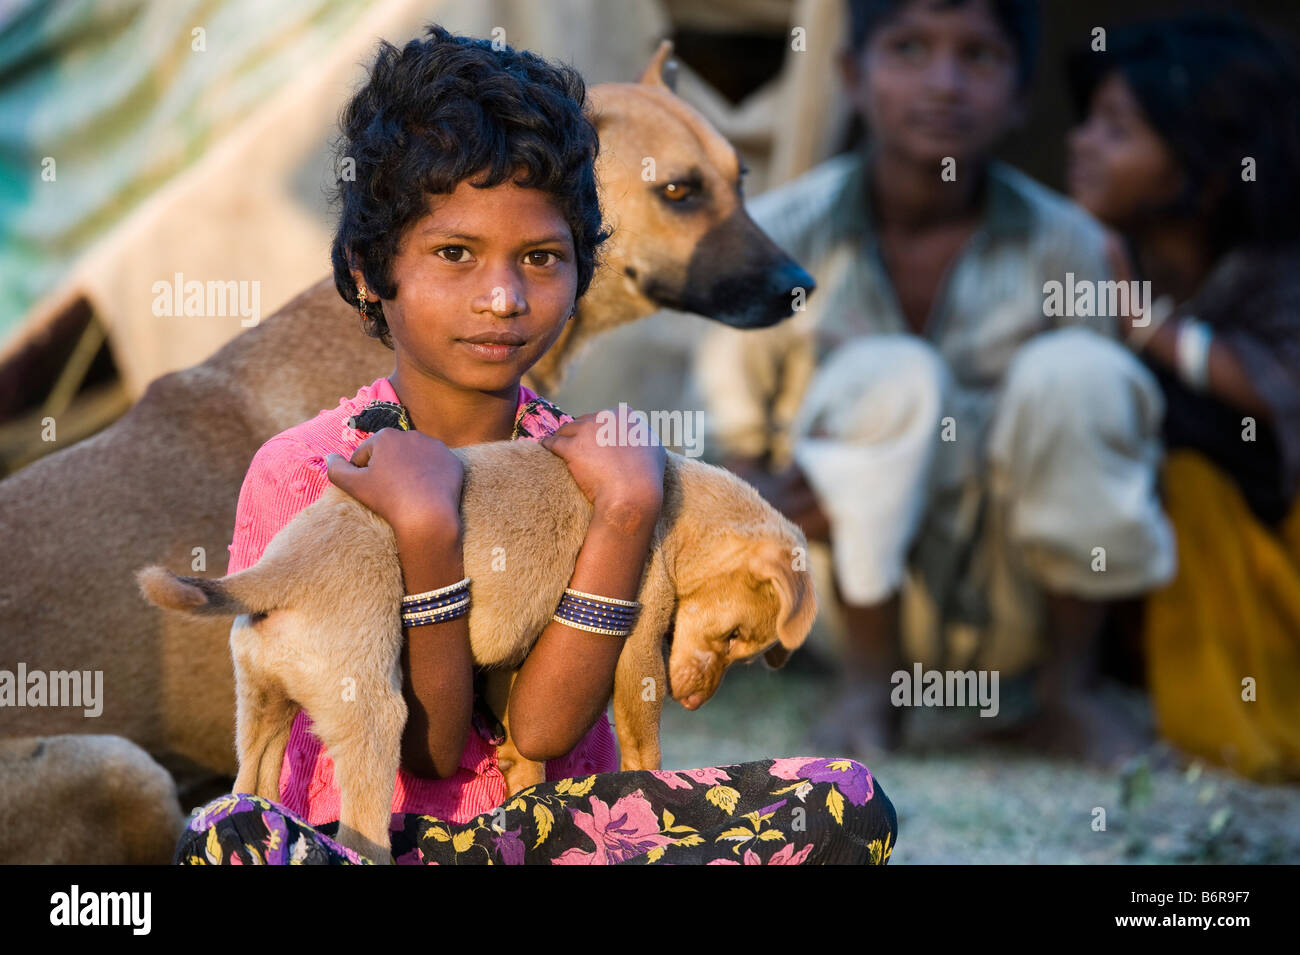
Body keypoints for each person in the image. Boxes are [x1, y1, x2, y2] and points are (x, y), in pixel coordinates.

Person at [175, 24, 898, 865]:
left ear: (583, 269)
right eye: (455, 253)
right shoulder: (303, 468)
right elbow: (432, 750)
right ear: (373, 274)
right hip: (351, 844)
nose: (503, 296)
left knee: (842, 804)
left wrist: (626, 515)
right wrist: (427, 531)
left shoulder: (603, 469)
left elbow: (544, 730)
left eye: (542, 258)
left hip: (545, 839)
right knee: (223, 838)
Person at [691, 0, 1175, 763]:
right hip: (841, 593)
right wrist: (775, 501)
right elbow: (721, 451)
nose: (943, 83)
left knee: (1083, 373)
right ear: (853, 76)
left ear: (1020, 95)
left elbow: (1102, 435)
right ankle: (866, 689)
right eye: (910, 49)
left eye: (977, 56)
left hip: (1013, 597)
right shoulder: (776, 236)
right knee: (891, 373)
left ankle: (1066, 693)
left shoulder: (1068, 242)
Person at [1065, 13, 1300, 780]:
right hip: (1125, 587)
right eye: (1089, 121)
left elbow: (1280, 382)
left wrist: (1149, 328)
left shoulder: (1270, 273)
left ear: (1206, 167)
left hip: (1262, 561)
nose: (1082, 144)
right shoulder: (1073, 251)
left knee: (1197, 479)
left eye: (1117, 130)